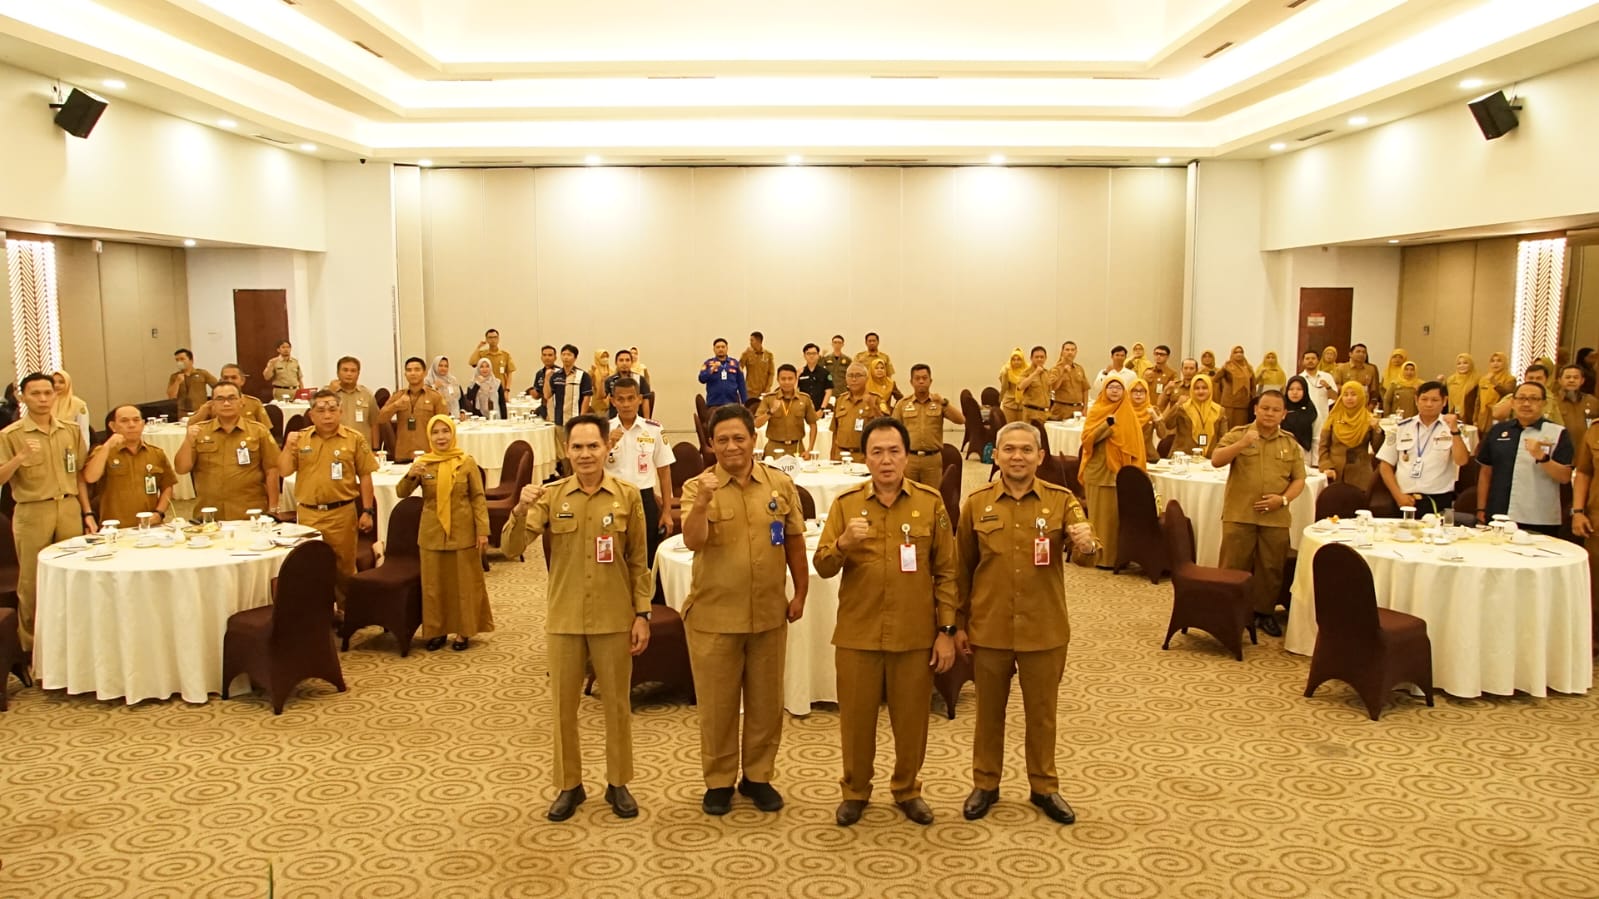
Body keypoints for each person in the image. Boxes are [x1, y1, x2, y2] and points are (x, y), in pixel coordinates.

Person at [501, 415, 653, 822]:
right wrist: (520, 508)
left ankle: (618, 782)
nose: (586, 454)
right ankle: (570, 785)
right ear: (566, 451)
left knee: (616, 704)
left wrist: (642, 613)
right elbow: (511, 547)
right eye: (577, 447)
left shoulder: (627, 496)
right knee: (563, 708)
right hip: (565, 617)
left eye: (593, 446)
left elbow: (639, 560)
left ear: (606, 448)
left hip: (614, 616)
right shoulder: (551, 497)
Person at [813, 417, 956, 826]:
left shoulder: (930, 503)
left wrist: (946, 631)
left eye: (894, 451)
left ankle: (908, 789)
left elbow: (947, 571)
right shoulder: (845, 504)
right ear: (865, 458)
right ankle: (855, 790)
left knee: (912, 721)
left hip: (914, 633)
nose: (886, 460)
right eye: (877, 452)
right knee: (856, 721)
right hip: (858, 632)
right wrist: (843, 543)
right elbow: (823, 565)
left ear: (907, 457)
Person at [955, 421, 1096, 825]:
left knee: (1042, 713)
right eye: (1009, 449)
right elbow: (960, 569)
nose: (1017, 457)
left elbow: (1087, 554)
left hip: (1043, 627)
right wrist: (957, 624)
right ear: (996, 456)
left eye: (1026, 450)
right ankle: (985, 783)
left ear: (1040, 456)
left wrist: (1086, 546)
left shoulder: (1061, 500)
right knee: (989, 713)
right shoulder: (976, 503)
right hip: (990, 626)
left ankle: (1044, 786)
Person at [679, 404, 808, 816]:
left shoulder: (779, 484)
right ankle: (719, 781)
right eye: (722, 440)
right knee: (717, 707)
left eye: (739, 438)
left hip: (768, 613)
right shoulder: (697, 487)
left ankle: (758, 776)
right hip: (714, 616)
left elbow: (794, 540)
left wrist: (800, 592)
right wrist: (702, 502)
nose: (731, 446)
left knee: (766, 704)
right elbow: (693, 540)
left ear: (754, 439)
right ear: (711, 444)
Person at [0, 373, 91, 653]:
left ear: (55, 395)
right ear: (22, 397)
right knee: (32, 581)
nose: (42, 399)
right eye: (35, 394)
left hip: (68, 507)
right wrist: (19, 459)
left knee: (75, 573)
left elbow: (79, 473)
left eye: (47, 393)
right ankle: (32, 649)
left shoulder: (70, 430)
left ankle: (76, 643)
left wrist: (87, 513)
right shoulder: (11, 435)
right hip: (33, 510)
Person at [1211, 390, 1307, 638]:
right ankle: (1227, 611)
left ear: (1284, 415)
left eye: (1276, 410)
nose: (1269, 413)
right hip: (1239, 514)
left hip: (1275, 517)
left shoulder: (1290, 443)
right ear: (1255, 409)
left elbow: (1299, 480)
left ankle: (1263, 612)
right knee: (1233, 565)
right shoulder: (1239, 434)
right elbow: (1216, 460)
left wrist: (1282, 499)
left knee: (1271, 568)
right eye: (1265, 408)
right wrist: (1242, 444)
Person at [398, 415, 494, 652]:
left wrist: (482, 530)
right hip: (432, 532)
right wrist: (411, 474)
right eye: (435, 432)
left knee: (464, 584)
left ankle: (463, 630)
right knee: (434, 585)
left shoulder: (466, 462)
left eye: (445, 431)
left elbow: (477, 497)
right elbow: (402, 493)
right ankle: (437, 630)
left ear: (453, 433)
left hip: (462, 532)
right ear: (429, 436)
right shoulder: (423, 463)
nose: (441, 437)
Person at [279, 389, 378, 586]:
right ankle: (319, 606)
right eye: (321, 410)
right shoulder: (300, 439)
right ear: (311, 415)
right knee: (310, 568)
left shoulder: (354, 438)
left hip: (341, 514)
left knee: (344, 569)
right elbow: (284, 471)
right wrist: (288, 447)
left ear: (340, 412)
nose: (327, 415)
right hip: (308, 514)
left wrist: (367, 511)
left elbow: (365, 475)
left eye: (332, 410)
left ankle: (346, 605)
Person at [1476, 381, 1572, 535]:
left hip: (1538, 517)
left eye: (1533, 399)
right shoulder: (1498, 431)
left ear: (1544, 403)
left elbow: (1565, 477)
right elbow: (1486, 472)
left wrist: (1543, 458)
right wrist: (1481, 508)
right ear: (1513, 402)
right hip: (1499, 514)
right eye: (1521, 398)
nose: (1526, 403)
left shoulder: (1558, 433)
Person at [174, 382, 280, 521]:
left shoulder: (258, 431)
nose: (226, 403)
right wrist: (188, 441)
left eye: (232, 398)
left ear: (241, 401)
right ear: (212, 403)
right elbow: (181, 469)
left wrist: (273, 508)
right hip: (210, 511)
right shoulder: (200, 431)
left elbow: (272, 470)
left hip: (250, 511)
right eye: (220, 399)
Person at [604, 377, 674, 565]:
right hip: (611, 497)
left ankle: (646, 586)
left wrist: (667, 511)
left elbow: (665, 472)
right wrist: (607, 445)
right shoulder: (603, 430)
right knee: (612, 554)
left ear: (640, 399)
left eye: (631, 398)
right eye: (620, 399)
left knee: (647, 554)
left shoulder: (654, 429)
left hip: (644, 498)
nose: (626, 404)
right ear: (613, 401)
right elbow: (591, 468)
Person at [1077, 374, 1145, 567]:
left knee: (1114, 518)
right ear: (1104, 390)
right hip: (1098, 471)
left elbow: (1135, 444)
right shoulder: (1096, 411)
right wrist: (1107, 425)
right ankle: (1097, 556)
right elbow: (1087, 441)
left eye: (1119, 388)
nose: (1114, 391)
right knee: (1098, 517)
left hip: (1120, 473)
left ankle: (1115, 558)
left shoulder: (1128, 413)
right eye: (1111, 387)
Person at [1377, 380, 1468, 517]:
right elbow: (1385, 465)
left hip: (1438, 499)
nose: (1429, 404)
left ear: (1444, 401)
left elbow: (1462, 461)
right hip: (1404, 499)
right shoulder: (1401, 427)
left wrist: (1454, 432)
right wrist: (1398, 495)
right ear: (1416, 400)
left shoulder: (1454, 427)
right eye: (1424, 399)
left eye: (1434, 400)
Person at [83, 404, 176, 527]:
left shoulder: (156, 453)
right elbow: (90, 477)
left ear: (143, 424)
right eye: (124, 421)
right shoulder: (103, 452)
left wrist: (159, 513)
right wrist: (107, 446)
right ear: (113, 426)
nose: (131, 425)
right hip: (115, 526)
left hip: (149, 525)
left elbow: (167, 486)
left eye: (136, 420)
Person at [892, 363, 964, 490]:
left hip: (932, 460)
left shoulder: (939, 402)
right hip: (909, 459)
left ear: (930, 381)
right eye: (917, 378)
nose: (921, 381)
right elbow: (892, 431)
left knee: (932, 496)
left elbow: (960, 420)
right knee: (907, 494)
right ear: (911, 382)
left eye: (924, 378)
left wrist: (944, 403)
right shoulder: (903, 404)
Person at [379, 357, 450, 459]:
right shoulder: (398, 396)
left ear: (424, 373)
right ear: (405, 374)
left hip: (428, 453)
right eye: (409, 370)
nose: (413, 373)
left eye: (417, 370)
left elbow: (445, 424)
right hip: (403, 453)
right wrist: (396, 405)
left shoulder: (435, 396)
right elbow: (381, 418)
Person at [1318, 382, 1380, 493]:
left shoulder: (1369, 419)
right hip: (1335, 474)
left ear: (1361, 396)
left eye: (1353, 394)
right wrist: (1326, 467)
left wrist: (1377, 430)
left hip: (1360, 476)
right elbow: (1323, 446)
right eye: (1345, 394)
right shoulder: (1333, 418)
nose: (1349, 398)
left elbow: (1377, 448)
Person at [756, 365, 819, 460]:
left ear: (796, 379)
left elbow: (813, 425)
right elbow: (757, 424)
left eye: (790, 379)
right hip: (774, 447)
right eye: (783, 379)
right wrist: (770, 412)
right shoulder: (769, 399)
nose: (787, 382)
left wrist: (809, 449)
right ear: (778, 380)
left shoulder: (804, 399)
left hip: (797, 448)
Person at [830, 364, 887, 461]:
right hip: (841, 455)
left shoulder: (876, 399)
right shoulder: (840, 400)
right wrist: (832, 456)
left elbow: (885, 428)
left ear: (867, 378)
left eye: (858, 375)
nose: (854, 379)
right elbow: (835, 431)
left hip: (864, 456)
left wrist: (873, 407)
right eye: (850, 375)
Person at [191, 364, 274, 430]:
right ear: (221, 381)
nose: (230, 381)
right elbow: (191, 426)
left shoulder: (254, 403)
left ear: (242, 381)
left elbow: (266, 430)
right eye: (225, 378)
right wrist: (205, 409)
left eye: (234, 378)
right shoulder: (212, 405)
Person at [1162, 373, 1225, 458]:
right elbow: (1168, 424)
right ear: (1191, 390)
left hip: (1209, 458)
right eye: (1197, 388)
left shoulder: (1219, 410)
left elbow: (1223, 437)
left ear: (1210, 389)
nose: (1200, 391)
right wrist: (1177, 405)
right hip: (1184, 457)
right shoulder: (1183, 408)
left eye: (1204, 388)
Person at [1489, 363, 1563, 426]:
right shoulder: (1513, 396)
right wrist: (1518, 397)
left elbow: (1559, 424)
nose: (1534, 381)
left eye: (1538, 378)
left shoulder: (1551, 399)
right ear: (1525, 379)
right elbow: (1496, 414)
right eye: (1531, 378)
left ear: (1546, 380)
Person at [327, 356, 377, 447]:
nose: (349, 374)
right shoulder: (327, 393)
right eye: (345, 370)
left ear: (358, 374)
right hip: (335, 445)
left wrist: (375, 448)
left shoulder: (367, 394)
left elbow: (374, 423)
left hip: (361, 446)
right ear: (337, 373)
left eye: (353, 371)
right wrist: (331, 393)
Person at [1297, 350, 1338, 460]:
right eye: (1307, 359)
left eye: (1313, 358)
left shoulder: (1327, 377)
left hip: (1323, 418)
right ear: (1302, 361)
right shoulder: (1299, 378)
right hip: (1305, 418)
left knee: (1320, 446)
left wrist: (1328, 387)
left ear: (1318, 360)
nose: (1310, 361)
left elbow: (1335, 397)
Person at [544, 344, 594, 430]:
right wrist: (547, 379)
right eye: (563, 354)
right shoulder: (556, 375)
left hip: (575, 419)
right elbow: (547, 395)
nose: (566, 357)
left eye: (569, 355)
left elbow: (587, 398)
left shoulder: (583, 375)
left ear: (575, 357)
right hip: (558, 419)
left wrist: (581, 418)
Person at [1000, 347, 1051, 427]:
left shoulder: (1046, 373)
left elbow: (1050, 390)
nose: (1039, 359)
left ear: (1045, 358)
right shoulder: (1026, 372)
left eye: (1042, 357)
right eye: (1037, 357)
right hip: (1030, 413)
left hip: (1044, 413)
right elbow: (1020, 387)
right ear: (1031, 358)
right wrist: (1035, 373)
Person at [1555, 363, 1599, 451]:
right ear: (1560, 380)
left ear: (1582, 381)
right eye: (1568, 377)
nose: (1571, 380)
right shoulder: (1553, 402)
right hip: (1560, 450)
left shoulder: (1592, 402)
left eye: (1576, 377)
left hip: (1586, 450)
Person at [167, 348, 217, 416]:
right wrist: (177, 382)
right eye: (177, 360)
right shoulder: (174, 376)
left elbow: (217, 386)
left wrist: (213, 402)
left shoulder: (202, 373)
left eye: (182, 359)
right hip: (183, 412)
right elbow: (171, 396)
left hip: (200, 411)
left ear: (191, 360)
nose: (179, 362)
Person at [1475, 351, 1517, 431]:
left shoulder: (1510, 379)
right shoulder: (1484, 379)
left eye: (1499, 361)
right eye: (1493, 361)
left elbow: (1508, 395)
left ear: (1504, 363)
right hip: (1483, 417)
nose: (1495, 363)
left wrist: (1495, 383)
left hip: (1498, 417)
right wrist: (1475, 419)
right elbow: (1478, 401)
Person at [699, 338, 747, 408]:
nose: (720, 349)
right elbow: (702, 379)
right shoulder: (708, 363)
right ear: (714, 349)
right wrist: (712, 369)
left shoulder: (735, 363)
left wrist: (744, 402)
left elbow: (741, 384)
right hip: (714, 403)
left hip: (732, 403)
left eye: (723, 347)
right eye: (718, 347)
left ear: (727, 348)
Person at [1048, 341, 1090, 420]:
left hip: (1078, 409)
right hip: (1061, 409)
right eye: (1067, 350)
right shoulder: (1056, 369)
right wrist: (1063, 374)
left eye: (1072, 350)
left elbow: (1085, 389)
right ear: (1062, 352)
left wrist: (1085, 408)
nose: (1070, 352)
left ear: (1076, 352)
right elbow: (1053, 388)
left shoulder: (1079, 369)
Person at [607, 349, 654, 419]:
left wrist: (646, 421)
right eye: (621, 360)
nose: (624, 363)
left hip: (637, 419)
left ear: (631, 362)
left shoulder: (640, 380)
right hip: (615, 419)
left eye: (627, 360)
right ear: (616, 363)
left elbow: (645, 401)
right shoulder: (610, 380)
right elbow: (601, 398)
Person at [1216, 346, 1254, 429]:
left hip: (1243, 405)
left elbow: (1253, 386)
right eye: (1236, 352)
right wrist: (1223, 369)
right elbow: (1215, 379)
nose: (1239, 354)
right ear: (1232, 354)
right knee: (1226, 428)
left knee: (1240, 429)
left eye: (1241, 352)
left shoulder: (1248, 368)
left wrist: (1252, 401)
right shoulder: (1227, 367)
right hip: (1229, 404)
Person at [49, 370, 90, 447]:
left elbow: (83, 431)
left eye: (61, 382)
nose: (56, 385)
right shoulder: (46, 403)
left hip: (71, 446)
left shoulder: (78, 404)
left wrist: (84, 450)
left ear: (68, 384)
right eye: (53, 382)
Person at [468, 328, 517, 393]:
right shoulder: (482, 354)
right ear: (487, 339)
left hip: (501, 389)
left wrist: (507, 390)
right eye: (490, 338)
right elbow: (472, 362)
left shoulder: (505, 355)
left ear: (498, 339)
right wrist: (478, 347)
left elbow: (509, 374)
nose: (493, 340)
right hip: (485, 390)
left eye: (495, 337)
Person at [1279, 376, 1317, 453]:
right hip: (1280, 452)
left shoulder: (1311, 411)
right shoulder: (1279, 409)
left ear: (1305, 391)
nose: (1295, 392)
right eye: (1291, 389)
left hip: (1304, 453)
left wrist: (1315, 460)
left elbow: (1316, 438)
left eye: (1299, 389)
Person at [1127, 379, 1161, 459]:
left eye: (1142, 391)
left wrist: (1155, 417)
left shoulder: (1153, 410)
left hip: (1148, 456)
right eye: (1135, 391)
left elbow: (1162, 435)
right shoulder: (1124, 411)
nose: (1138, 394)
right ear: (1129, 393)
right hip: (1128, 455)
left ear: (1147, 393)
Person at [797, 343, 834, 412]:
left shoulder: (825, 373)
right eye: (808, 353)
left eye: (814, 353)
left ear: (818, 355)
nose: (811, 356)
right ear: (804, 356)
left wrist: (822, 409)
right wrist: (796, 377)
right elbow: (794, 391)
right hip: (803, 409)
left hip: (820, 409)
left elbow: (828, 392)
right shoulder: (800, 373)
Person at [1443, 353, 1477, 421]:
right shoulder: (1451, 380)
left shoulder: (1477, 380)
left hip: (1471, 417)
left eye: (1465, 363)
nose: (1462, 366)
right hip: (1453, 414)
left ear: (1471, 364)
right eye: (1459, 363)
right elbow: (1446, 399)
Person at [741, 332, 775, 397]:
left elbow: (771, 373)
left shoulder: (768, 355)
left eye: (752, 340)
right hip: (750, 391)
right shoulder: (747, 354)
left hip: (764, 391)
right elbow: (739, 368)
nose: (750, 343)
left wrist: (768, 387)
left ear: (758, 341)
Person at [820, 335, 852, 402]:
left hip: (843, 390)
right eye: (835, 342)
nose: (837, 344)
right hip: (829, 390)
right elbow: (819, 369)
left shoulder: (847, 360)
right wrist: (821, 357)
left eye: (839, 343)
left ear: (843, 344)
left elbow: (850, 374)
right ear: (832, 344)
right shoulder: (826, 359)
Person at [530, 345, 559, 418]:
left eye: (550, 355)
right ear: (541, 358)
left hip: (557, 408)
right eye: (544, 355)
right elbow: (537, 395)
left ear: (555, 357)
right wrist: (532, 392)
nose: (547, 357)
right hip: (544, 407)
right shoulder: (539, 373)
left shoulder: (560, 373)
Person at [589, 350, 613, 419]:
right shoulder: (593, 370)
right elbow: (590, 385)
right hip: (598, 403)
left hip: (610, 403)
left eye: (606, 357)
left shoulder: (611, 370)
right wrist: (592, 374)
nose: (605, 359)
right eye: (602, 357)